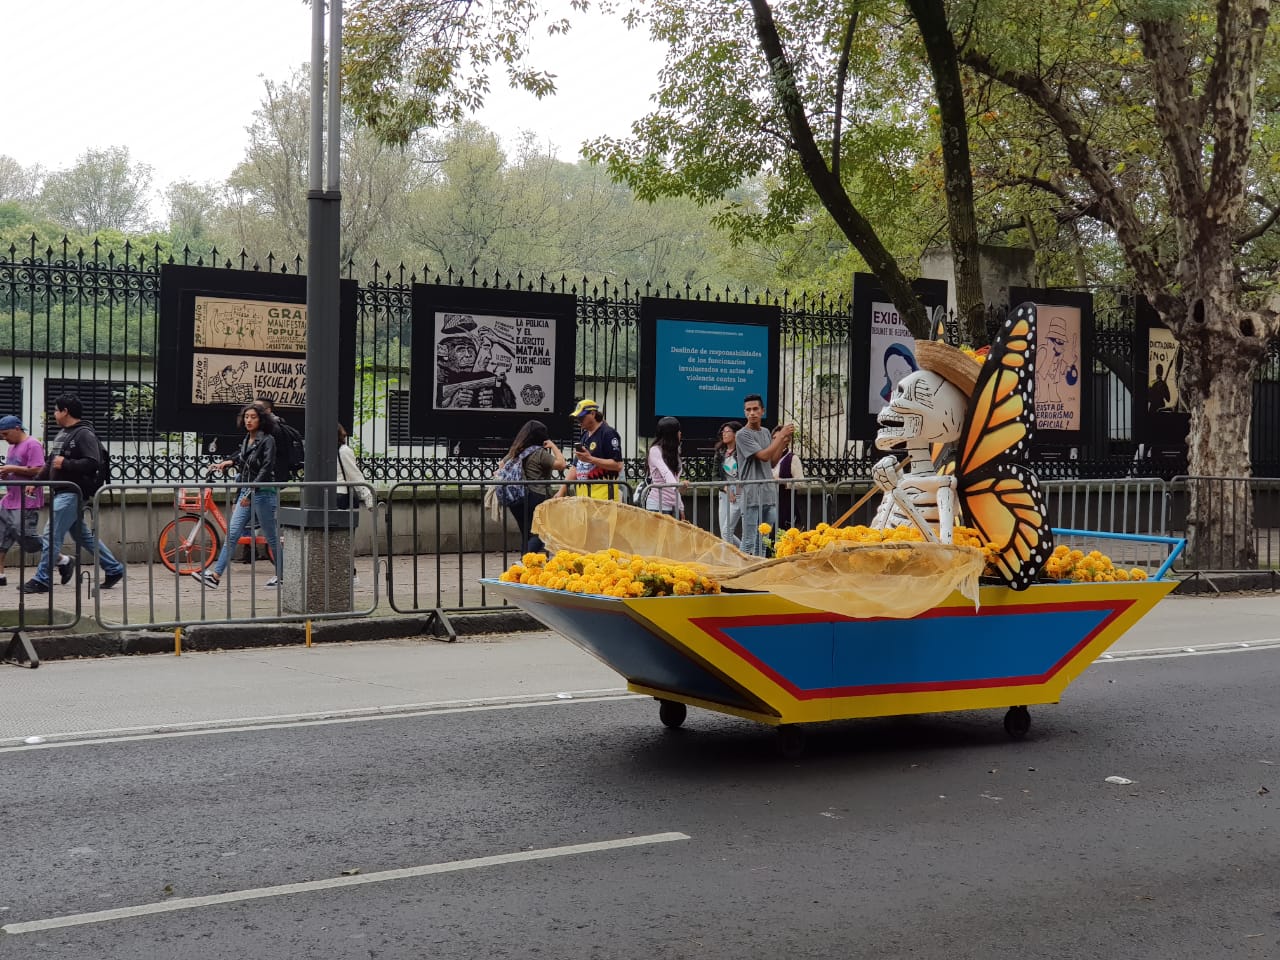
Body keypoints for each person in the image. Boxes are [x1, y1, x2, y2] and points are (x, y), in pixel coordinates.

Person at [21, 395, 124, 594]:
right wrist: (36, 483)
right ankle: (114, 568)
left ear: (65, 411)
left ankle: (42, 579)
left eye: (56, 410)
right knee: (83, 536)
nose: (54, 414)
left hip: (72, 492)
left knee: (52, 534)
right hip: (63, 491)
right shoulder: (63, 434)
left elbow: (92, 462)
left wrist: (66, 464)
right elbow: (50, 462)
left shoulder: (84, 433)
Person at [193, 401, 282, 588]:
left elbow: (266, 469)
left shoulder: (267, 440)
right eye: (246, 417)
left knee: (271, 537)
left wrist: (250, 493)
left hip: (263, 494)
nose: (249, 420)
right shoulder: (246, 440)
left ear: (261, 419)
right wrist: (227, 463)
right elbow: (243, 463)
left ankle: (283, 575)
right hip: (246, 493)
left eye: (253, 417)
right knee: (232, 534)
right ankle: (216, 576)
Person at [0, 415, 71, 588]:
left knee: (27, 538)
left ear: (17, 428)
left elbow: (39, 470)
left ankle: (63, 560)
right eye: (2, 435)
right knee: (1, 536)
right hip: (9, 499)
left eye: (6, 434)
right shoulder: (13, 447)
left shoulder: (32, 444)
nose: (4, 438)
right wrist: (7, 473)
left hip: (26, 501)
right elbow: (19, 471)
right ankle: (0, 574)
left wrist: (11, 468)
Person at [735, 394, 795, 557]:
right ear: (744, 412)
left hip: (768, 493)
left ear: (763, 411)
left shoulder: (766, 432)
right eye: (748, 410)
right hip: (751, 494)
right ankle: (740, 576)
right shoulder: (742, 434)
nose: (752, 413)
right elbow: (763, 455)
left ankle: (758, 573)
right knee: (748, 540)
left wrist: (782, 442)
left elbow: (772, 462)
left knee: (764, 540)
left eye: (755, 409)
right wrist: (781, 435)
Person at [502, 419, 566, 552]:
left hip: (516, 497)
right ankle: (526, 561)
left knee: (527, 533)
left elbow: (501, 465)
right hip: (536, 495)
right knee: (542, 532)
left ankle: (526, 565)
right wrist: (553, 446)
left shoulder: (516, 451)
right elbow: (561, 464)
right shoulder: (539, 453)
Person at [562, 398, 624, 501]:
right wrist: (561, 491)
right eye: (577, 418)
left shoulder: (608, 433)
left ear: (593, 414)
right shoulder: (585, 435)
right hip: (584, 499)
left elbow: (618, 465)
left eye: (581, 418)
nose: (578, 421)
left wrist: (590, 459)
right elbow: (575, 466)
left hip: (604, 500)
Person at [644, 417, 686, 519]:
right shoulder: (655, 450)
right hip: (657, 505)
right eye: (678, 431)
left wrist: (681, 507)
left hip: (673, 506)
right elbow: (666, 473)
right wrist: (678, 486)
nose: (680, 433)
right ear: (671, 434)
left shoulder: (674, 452)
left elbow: (675, 478)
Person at [714, 421, 743, 548]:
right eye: (723, 432)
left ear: (736, 434)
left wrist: (736, 490)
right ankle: (745, 552)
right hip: (725, 493)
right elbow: (715, 476)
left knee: (727, 531)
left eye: (727, 432)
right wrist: (726, 489)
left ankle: (736, 557)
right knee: (724, 532)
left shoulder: (742, 452)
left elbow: (745, 474)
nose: (724, 434)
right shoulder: (720, 453)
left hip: (739, 493)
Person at [773, 425, 806, 530]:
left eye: (780, 438)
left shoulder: (792, 458)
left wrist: (782, 482)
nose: (776, 441)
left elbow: (801, 483)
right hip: (769, 503)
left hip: (785, 505)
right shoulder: (768, 457)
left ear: (787, 440)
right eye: (774, 438)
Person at [336, 423, 374, 513]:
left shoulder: (325, 451)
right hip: (341, 494)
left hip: (327, 494)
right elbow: (354, 475)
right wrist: (368, 497)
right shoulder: (343, 451)